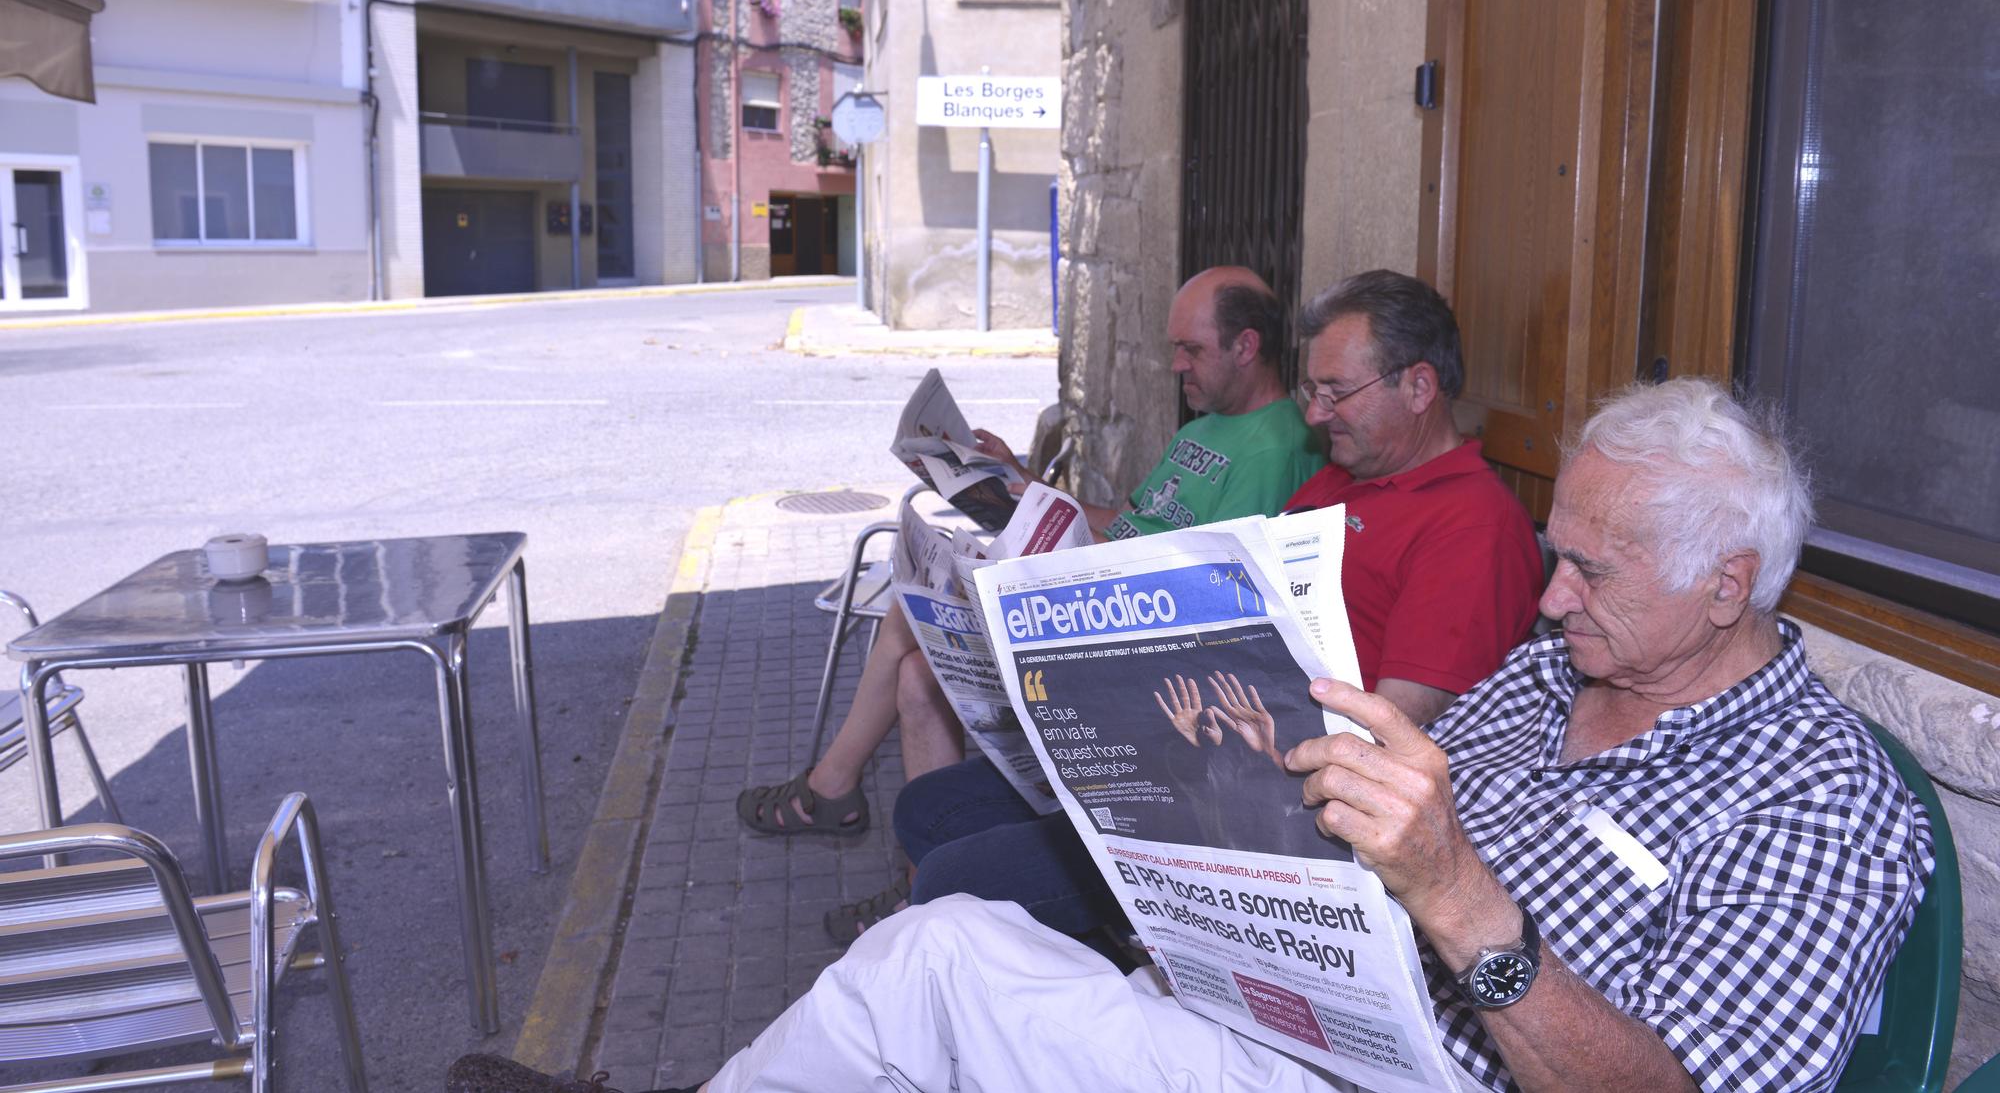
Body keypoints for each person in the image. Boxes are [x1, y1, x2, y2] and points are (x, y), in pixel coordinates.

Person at [670, 378, 1935, 1093]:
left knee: (929, 970)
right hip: (1291, 1011)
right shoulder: (1556, 672)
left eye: (1590, 574)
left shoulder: (1819, 798)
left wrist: (1457, 899)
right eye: (1557, 561)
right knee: (948, 943)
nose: (1549, 601)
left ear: (1726, 585)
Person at [891, 270, 1544, 936]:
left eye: (1337, 392)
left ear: (1419, 386)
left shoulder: (1473, 525)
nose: (1316, 414)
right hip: (1189, 739)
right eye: (1311, 390)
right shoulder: (1341, 475)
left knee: (955, 876)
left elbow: (1393, 731)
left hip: (1265, 809)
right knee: (926, 809)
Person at [734, 268, 1323, 918]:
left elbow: (1198, 582)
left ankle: (836, 788)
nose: (1176, 364)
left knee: (912, 615)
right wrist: (1018, 482)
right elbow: (1125, 521)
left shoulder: (1275, 449)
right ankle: (922, 879)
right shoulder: (1202, 429)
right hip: (1091, 582)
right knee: (913, 666)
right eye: (1173, 348)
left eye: (1192, 349)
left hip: (1122, 634)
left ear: (1246, 346)